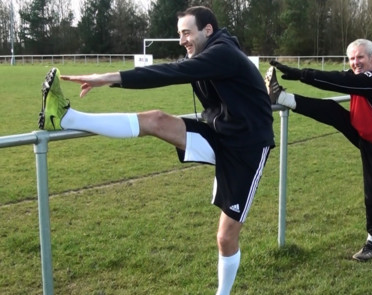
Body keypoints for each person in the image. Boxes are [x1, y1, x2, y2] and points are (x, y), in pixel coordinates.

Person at [39, 6, 274, 294]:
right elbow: (162, 69)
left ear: (207, 31)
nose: (182, 40)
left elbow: (170, 73)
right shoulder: (203, 53)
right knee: (156, 119)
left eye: (186, 32)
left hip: (247, 148)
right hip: (220, 134)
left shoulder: (222, 53)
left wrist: (108, 77)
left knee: (225, 238)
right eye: (179, 34)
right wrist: (112, 80)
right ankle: (65, 117)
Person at [265, 39, 372, 261]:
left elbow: (339, 81)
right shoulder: (363, 76)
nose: (355, 62)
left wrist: (302, 74)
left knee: (371, 194)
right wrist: (303, 75)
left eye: (360, 57)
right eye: (351, 58)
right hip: (363, 131)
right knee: (330, 109)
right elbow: (342, 77)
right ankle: (279, 96)